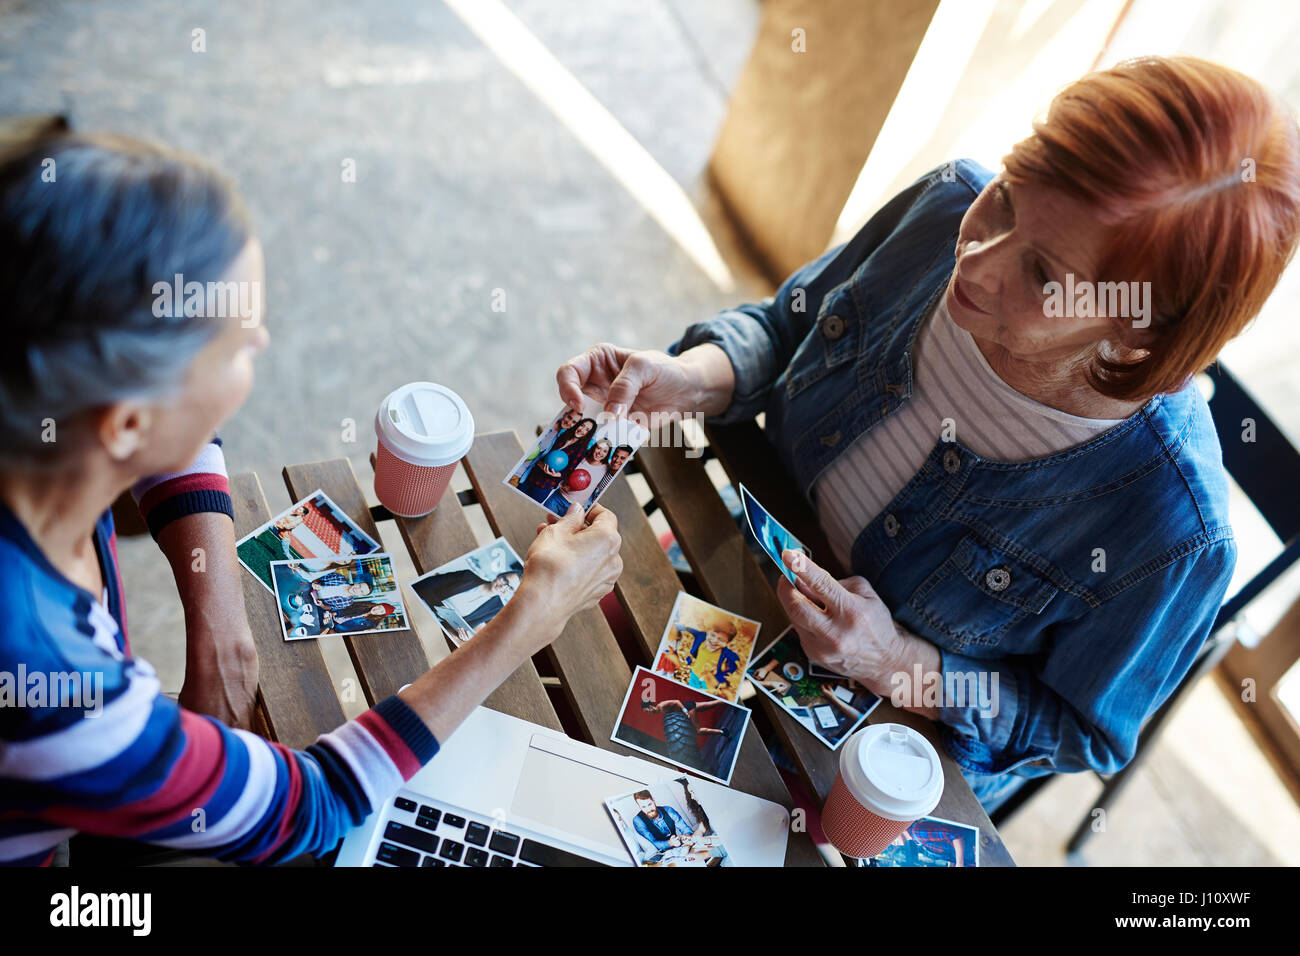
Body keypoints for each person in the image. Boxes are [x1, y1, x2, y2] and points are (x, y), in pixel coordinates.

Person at [557, 56, 1300, 813]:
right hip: (721, 573)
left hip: (874, 753)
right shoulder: (945, 205)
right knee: (552, 682)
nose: (976, 262)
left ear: (1139, 338)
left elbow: (1079, 732)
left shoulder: (1174, 533)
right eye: (1007, 198)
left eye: (1043, 275)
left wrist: (898, 664)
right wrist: (695, 375)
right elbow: (787, 324)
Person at [0, 129, 623, 865]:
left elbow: (166, 426)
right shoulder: (61, 689)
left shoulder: (46, 428)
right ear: (127, 423)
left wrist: (220, 616)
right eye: (232, 346)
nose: (261, 342)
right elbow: (313, 804)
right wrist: (528, 619)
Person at [517, 417, 595, 503]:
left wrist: (554, 474)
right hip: (531, 476)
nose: (582, 430)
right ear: (577, 425)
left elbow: (569, 471)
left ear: (588, 434)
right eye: (582, 425)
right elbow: (543, 452)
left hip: (545, 486)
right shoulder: (563, 435)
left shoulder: (581, 450)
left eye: (587, 430)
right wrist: (540, 464)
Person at [508, 407, 580, 486]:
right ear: (565, 414)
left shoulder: (559, 437)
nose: (569, 422)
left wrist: (543, 465)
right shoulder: (545, 427)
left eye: (574, 422)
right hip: (511, 465)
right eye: (569, 417)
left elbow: (538, 456)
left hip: (519, 476)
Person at [548, 438, 611, 515]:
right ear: (594, 447)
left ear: (607, 454)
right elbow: (566, 471)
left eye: (605, 451)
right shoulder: (581, 457)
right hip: (558, 497)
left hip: (575, 508)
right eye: (599, 448)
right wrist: (563, 484)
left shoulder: (606, 469)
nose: (600, 453)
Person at [630, 791, 698, 853]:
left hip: (681, 847)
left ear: (653, 800)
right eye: (643, 807)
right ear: (639, 806)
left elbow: (684, 828)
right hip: (661, 855)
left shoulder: (668, 810)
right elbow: (652, 844)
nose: (649, 809)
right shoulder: (638, 821)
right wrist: (670, 843)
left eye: (650, 804)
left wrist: (686, 835)